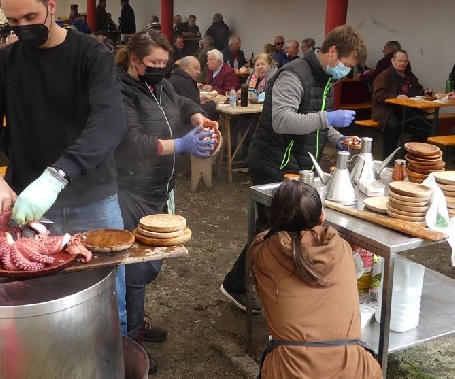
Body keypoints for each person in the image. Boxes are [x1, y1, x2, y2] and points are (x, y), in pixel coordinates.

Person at [0, 0, 128, 337]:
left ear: (51, 6)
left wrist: (57, 175)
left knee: (105, 302)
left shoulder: (92, 54)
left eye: (31, 17)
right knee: (33, 302)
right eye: (13, 21)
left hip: (93, 198)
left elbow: (109, 124)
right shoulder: (5, 63)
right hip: (28, 203)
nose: (23, 27)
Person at [221, 24, 366, 312]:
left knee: (286, 229)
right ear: (332, 51)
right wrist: (328, 118)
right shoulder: (294, 74)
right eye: (347, 65)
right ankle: (236, 284)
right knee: (270, 229)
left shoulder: (325, 79)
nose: (346, 72)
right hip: (273, 161)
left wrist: (339, 140)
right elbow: (283, 121)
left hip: (298, 163)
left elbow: (314, 124)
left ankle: (275, 284)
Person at [114, 30, 217, 374]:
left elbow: (185, 103)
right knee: (134, 266)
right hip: (130, 188)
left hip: (160, 186)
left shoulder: (162, 85)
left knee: (151, 260)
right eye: (153, 63)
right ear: (134, 61)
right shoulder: (120, 90)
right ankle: (128, 341)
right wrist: (182, 145)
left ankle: (136, 325)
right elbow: (135, 144)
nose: (160, 68)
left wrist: (198, 117)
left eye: (164, 62)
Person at [249, 180, 382, 378]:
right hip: (356, 370)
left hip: (291, 370)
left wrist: (280, 224)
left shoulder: (261, 254)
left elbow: (265, 236)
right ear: (322, 218)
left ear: (273, 217)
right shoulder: (342, 249)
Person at [372, 49, 428, 158]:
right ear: (393, 61)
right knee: (393, 126)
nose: (403, 63)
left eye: (405, 61)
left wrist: (425, 93)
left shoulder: (409, 75)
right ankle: (389, 158)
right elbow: (378, 95)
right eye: (400, 61)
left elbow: (418, 90)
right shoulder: (384, 75)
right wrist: (396, 98)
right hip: (387, 112)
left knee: (425, 126)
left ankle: (408, 156)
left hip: (407, 111)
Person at [236, 53, 279, 164]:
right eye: (257, 64)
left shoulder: (274, 77)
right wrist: (242, 93)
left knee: (251, 126)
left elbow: (268, 95)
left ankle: (252, 158)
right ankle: (244, 155)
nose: (260, 67)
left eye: (263, 64)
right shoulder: (252, 77)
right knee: (240, 121)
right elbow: (247, 90)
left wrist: (251, 96)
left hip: (269, 112)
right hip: (252, 110)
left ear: (270, 65)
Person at [169, 56, 218, 121]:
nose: (199, 72)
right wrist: (212, 104)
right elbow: (193, 110)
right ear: (185, 68)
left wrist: (199, 100)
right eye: (195, 68)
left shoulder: (173, 79)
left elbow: (186, 100)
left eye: (199, 70)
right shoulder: (185, 83)